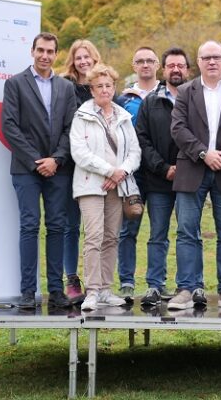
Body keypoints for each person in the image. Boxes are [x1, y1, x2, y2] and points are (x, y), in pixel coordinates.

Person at [169, 40, 221, 310]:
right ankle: (186, 289)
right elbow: (178, 128)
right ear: (199, 61)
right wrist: (205, 153)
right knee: (186, 231)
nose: (212, 62)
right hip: (192, 168)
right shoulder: (185, 91)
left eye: (217, 57)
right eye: (206, 58)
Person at [1, 32, 77, 309]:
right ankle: (27, 292)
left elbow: (72, 128)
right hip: (26, 169)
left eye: (50, 51)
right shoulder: (15, 84)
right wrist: (37, 160)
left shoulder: (66, 88)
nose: (45, 56)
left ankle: (56, 291)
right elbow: (9, 126)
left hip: (59, 169)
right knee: (30, 226)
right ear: (32, 51)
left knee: (57, 227)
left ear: (56, 54)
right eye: (40, 50)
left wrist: (56, 159)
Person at [70, 64, 141, 311]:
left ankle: (106, 290)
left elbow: (135, 151)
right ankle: (92, 291)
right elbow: (80, 152)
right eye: (99, 86)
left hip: (117, 187)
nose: (104, 89)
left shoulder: (124, 116)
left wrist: (121, 172)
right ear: (92, 89)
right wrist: (110, 171)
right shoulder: (82, 116)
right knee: (94, 237)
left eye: (108, 85)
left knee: (112, 237)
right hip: (91, 185)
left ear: (114, 87)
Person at [136, 48, 192, 307]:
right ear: (164, 69)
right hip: (158, 180)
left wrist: (183, 166)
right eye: (171, 66)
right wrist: (163, 168)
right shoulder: (150, 101)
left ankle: (190, 285)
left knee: (188, 233)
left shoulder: (196, 98)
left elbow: (200, 135)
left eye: (181, 65)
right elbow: (142, 139)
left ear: (188, 70)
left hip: (189, 177)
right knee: (157, 234)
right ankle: (155, 285)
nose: (176, 70)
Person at [116, 46, 161, 301]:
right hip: (132, 174)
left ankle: (157, 282)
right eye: (140, 61)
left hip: (158, 171)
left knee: (159, 230)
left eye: (150, 61)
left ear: (157, 65)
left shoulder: (167, 94)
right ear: (133, 66)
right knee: (128, 228)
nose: (145, 65)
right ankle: (126, 281)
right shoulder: (124, 99)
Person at [60, 39, 102, 303]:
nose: (84, 62)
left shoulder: (103, 84)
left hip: (99, 168)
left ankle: (97, 283)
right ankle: (72, 279)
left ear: (95, 59)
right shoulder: (64, 88)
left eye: (88, 57)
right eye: (79, 58)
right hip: (71, 166)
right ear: (72, 62)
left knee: (97, 228)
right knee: (70, 225)